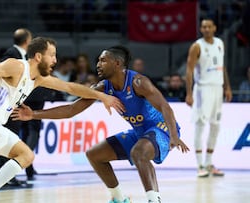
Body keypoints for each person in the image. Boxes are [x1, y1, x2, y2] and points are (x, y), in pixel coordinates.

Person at [0, 37, 123, 203]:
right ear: (38, 56)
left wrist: (101, 96)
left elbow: (70, 87)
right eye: (52, 55)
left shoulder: (37, 79)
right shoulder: (16, 66)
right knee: (26, 155)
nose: (55, 60)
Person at [11, 46, 189, 203]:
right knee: (94, 155)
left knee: (138, 152)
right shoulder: (103, 88)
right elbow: (71, 109)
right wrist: (34, 114)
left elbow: (165, 107)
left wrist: (174, 135)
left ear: (117, 63)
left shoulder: (138, 82)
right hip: (140, 132)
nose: (98, 64)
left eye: (103, 60)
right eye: (98, 60)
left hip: (162, 128)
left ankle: (153, 200)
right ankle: (119, 199)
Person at [185, 18, 232, 177]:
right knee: (200, 125)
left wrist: (227, 86)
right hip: (202, 90)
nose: (206, 29)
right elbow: (189, 71)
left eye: (209, 26)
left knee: (215, 125)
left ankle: (209, 162)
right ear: (201, 29)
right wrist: (189, 93)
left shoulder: (220, 43)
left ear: (214, 28)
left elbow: (222, 66)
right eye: (203, 27)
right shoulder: (197, 46)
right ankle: (200, 165)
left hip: (217, 89)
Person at [0, 28, 40, 183]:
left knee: (15, 139)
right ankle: (6, 177)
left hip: (21, 105)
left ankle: (10, 175)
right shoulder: (11, 55)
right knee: (7, 141)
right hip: (9, 106)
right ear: (27, 41)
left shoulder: (25, 56)